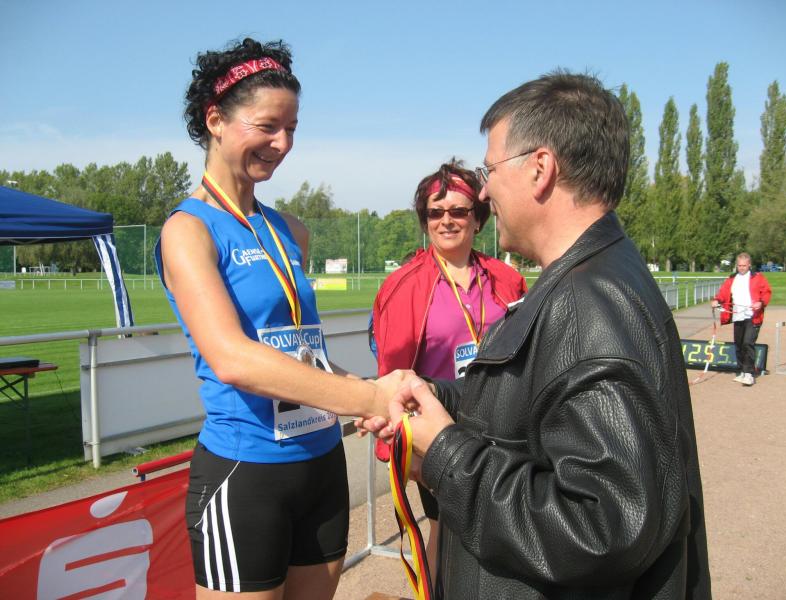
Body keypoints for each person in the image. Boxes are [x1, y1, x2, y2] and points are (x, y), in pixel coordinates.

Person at [363, 71, 711, 599]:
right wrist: (439, 395)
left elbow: (604, 527)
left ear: (540, 169)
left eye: (490, 170)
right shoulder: (587, 278)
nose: (484, 191)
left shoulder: (592, 304)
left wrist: (447, 453)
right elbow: (533, 404)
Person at [156, 38, 405, 599]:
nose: (283, 144)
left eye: (291, 128)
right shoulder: (188, 230)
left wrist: (372, 389)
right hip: (247, 471)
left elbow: (300, 351)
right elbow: (232, 358)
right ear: (215, 120)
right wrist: (367, 398)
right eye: (267, 126)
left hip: (322, 463)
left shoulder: (290, 230)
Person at [371, 159, 527, 578]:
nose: (446, 221)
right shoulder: (403, 285)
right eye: (435, 212)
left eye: (458, 210)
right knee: (449, 536)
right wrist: (400, 450)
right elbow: (392, 376)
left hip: (504, 431)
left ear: (477, 218)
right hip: (440, 435)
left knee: (501, 539)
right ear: (425, 221)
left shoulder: (506, 279)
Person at [712, 252, 772, 386]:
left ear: (749, 265)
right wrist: (717, 300)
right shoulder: (732, 278)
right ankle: (742, 372)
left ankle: (749, 374)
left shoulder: (758, 278)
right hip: (737, 316)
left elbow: (766, 292)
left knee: (747, 343)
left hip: (752, 316)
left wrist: (761, 303)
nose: (741, 268)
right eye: (739, 265)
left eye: (744, 265)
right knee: (739, 345)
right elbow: (723, 293)